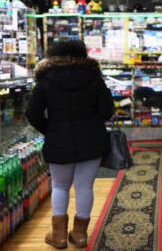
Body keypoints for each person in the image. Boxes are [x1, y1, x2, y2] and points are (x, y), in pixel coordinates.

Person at [26, 40, 114, 249]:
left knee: (60, 186)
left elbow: (32, 113)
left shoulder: (45, 80)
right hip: (92, 140)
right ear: (83, 55)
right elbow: (107, 110)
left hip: (59, 140)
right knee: (85, 187)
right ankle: (80, 234)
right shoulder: (94, 78)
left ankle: (59, 236)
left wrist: (50, 129)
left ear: (53, 55)